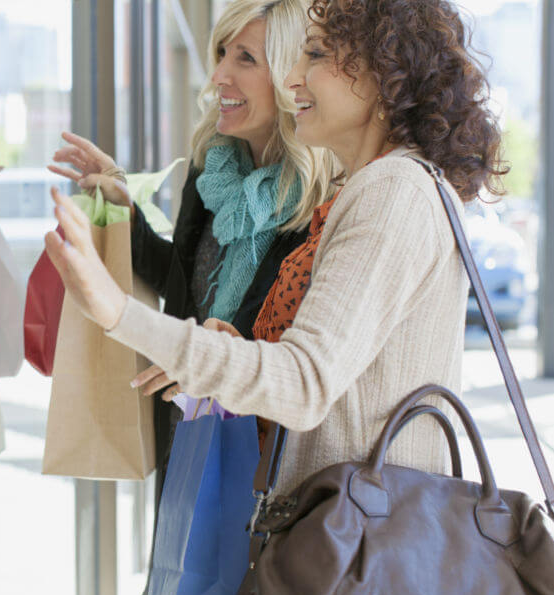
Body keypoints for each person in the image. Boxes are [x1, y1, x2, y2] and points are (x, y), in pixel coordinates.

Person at [44, 0, 506, 498]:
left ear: (380, 72)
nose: (293, 79)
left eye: (314, 54)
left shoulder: (390, 193)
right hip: (329, 516)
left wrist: (118, 313)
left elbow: (305, 381)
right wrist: (235, 347)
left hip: (350, 534)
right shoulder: (371, 187)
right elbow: (329, 363)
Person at [49, 0, 337, 508]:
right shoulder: (211, 169)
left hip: (263, 454)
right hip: (185, 425)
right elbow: (179, 283)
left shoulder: (324, 203)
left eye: (245, 58)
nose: (219, 75)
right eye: (221, 52)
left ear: (293, 77)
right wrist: (124, 209)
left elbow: (305, 362)